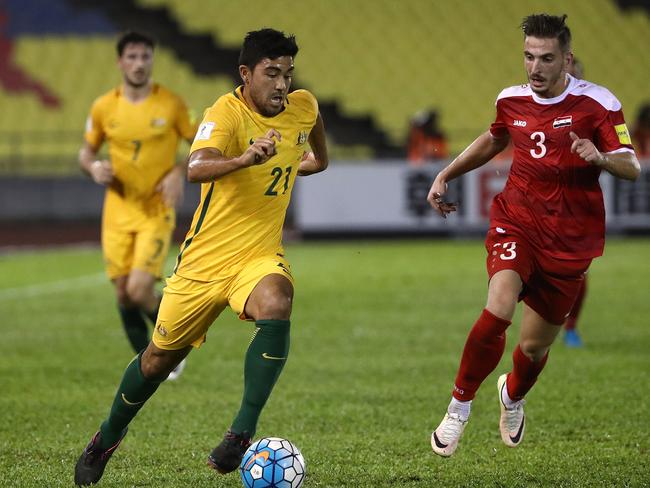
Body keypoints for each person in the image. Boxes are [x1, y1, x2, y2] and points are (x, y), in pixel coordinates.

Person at [74, 28, 329, 486]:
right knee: (155, 361)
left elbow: (315, 143)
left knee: (278, 300)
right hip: (202, 263)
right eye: (271, 74)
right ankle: (106, 438)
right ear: (246, 74)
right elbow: (196, 167)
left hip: (258, 256)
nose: (281, 85)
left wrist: (305, 162)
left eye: (287, 75)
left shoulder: (303, 106)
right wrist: (246, 159)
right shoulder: (225, 113)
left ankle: (241, 432)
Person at [427, 13, 639, 457]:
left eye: (545, 58)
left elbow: (631, 166)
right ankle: (458, 407)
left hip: (570, 239)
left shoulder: (599, 104)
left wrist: (599, 156)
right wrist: (446, 173)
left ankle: (513, 395)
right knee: (499, 304)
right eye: (528, 57)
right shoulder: (511, 100)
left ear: (567, 58)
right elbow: (493, 139)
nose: (535, 68)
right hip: (517, 220)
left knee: (534, 347)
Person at [79, 31, 196, 379]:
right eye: (132, 57)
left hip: (155, 209)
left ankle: (172, 347)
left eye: (145, 56)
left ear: (152, 61)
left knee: (139, 288)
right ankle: (150, 364)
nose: (139, 64)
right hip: (117, 210)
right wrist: (93, 167)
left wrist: (178, 171)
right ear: (120, 62)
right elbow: (86, 153)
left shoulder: (172, 104)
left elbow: (203, 145)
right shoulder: (103, 107)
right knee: (123, 294)